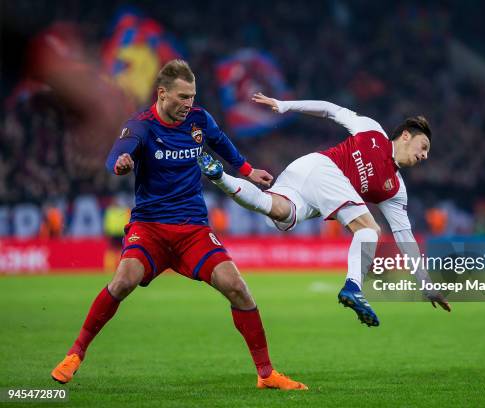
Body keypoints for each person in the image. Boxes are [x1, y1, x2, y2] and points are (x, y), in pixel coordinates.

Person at [50, 62, 307, 390]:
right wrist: (121, 164)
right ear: (162, 94)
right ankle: (75, 354)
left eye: (192, 96)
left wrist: (247, 170)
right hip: (151, 227)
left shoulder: (199, 119)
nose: (189, 103)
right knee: (123, 280)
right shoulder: (142, 126)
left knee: (238, 287)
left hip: (193, 229)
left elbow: (221, 141)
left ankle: (266, 373)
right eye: (183, 96)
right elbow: (118, 153)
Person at [199, 93, 451, 327]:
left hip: (309, 189)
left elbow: (404, 237)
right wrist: (286, 105)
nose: (425, 155)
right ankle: (354, 287)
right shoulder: (373, 132)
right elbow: (331, 110)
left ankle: (219, 176)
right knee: (370, 228)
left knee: (279, 210)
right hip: (321, 166)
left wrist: (425, 284)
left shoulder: (395, 190)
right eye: (424, 146)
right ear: (406, 135)